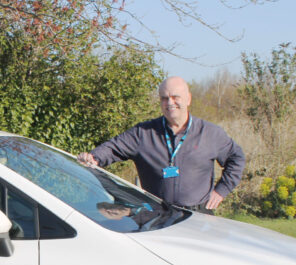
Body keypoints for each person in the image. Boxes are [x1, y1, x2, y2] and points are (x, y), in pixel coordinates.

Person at [77, 76, 245, 213]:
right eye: (164, 98)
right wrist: (94, 157)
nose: (170, 103)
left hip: (199, 217)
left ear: (188, 99)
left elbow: (236, 158)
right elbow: (113, 148)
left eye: (175, 97)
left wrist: (222, 190)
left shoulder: (210, 133)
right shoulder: (143, 133)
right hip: (156, 217)